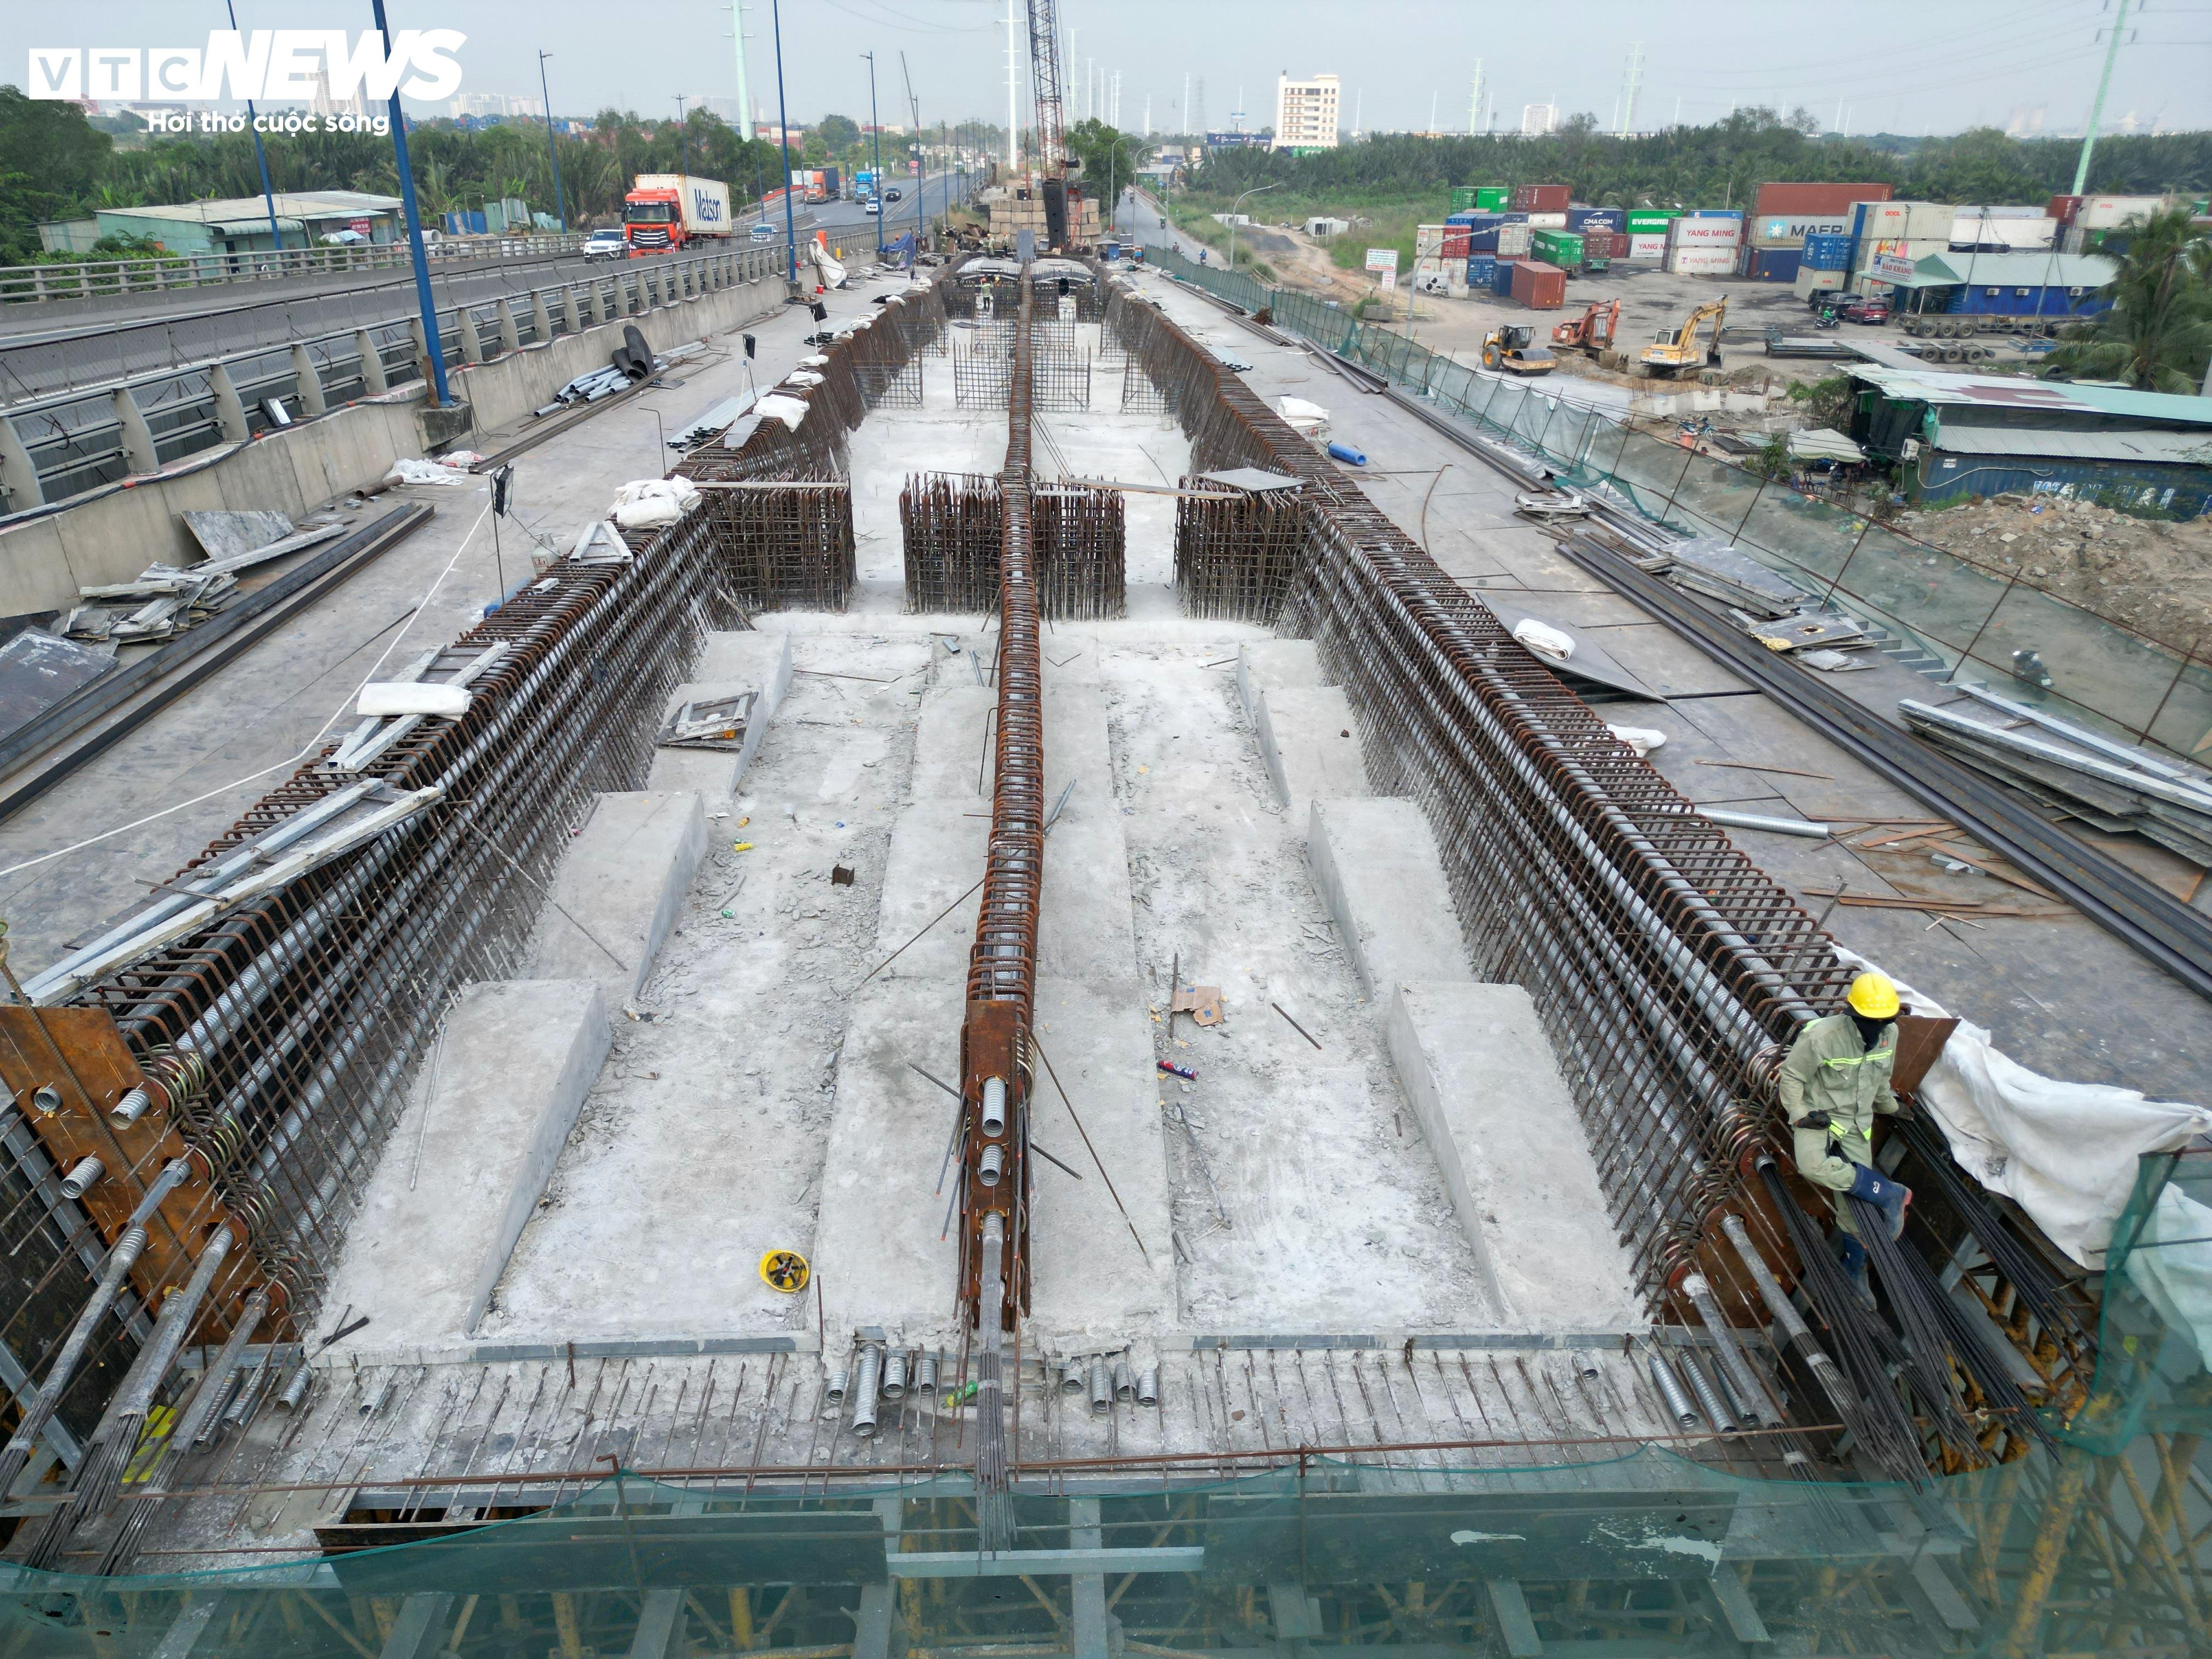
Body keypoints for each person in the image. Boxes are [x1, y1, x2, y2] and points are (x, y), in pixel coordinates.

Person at [1779, 969, 1913, 1311]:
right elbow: (1792, 1075)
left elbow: (1882, 1076)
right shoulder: (1822, 1037)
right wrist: (1799, 1114)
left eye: (1884, 1019)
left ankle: (1856, 1272)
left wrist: (1890, 1107)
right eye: (1871, 1020)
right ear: (1852, 1014)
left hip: (1857, 1123)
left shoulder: (1890, 1034)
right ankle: (1890, 1193)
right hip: (1819, 1116)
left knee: (1854, 1205)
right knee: (1812, 1166)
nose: (1878, 1026)